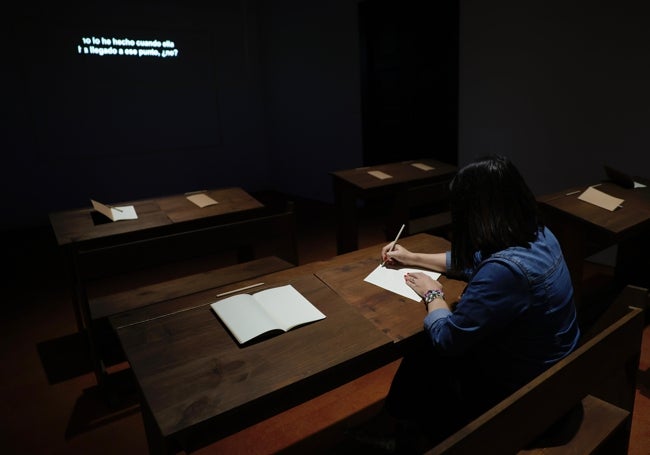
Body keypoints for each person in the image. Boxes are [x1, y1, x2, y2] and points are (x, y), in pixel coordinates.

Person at [358, 155, 581, 453]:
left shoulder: (505, 271)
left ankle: (402, 429)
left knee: (427, 347)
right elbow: (475, 262)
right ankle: (397, 422)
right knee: (430, 349)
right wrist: (411, 258)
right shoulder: (539, 235)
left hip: (525, 393)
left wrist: (433, 294)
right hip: (557, 375)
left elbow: (448, 338)